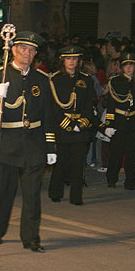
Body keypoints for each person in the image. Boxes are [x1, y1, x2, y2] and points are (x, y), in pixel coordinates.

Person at [0, 31, 56, 253]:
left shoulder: (42, 80)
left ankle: (31, 237)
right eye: (23, 48)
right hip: (6, 142)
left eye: (32, 50)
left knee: (33, 195)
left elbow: (48, 115)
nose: (27, 53)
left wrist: (50, 145)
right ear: (13, 50)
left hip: (33, 144)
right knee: (3, 192)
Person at [47, 45, 95, 205]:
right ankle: (55, 192)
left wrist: (82, 123)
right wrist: (67, 124)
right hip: (62, 127)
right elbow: (53, 106)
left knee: (78, 164)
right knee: (60, 163)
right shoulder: (55, 79)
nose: (72, 62)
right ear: (62, 60)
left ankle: (76, 196)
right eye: (69, 58)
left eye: (75, 59)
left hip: (80, 127)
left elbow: (90, 103)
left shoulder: (86, 79)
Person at [103, 52, 135, 190]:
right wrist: (109, 124)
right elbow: (111, 104)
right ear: (122, 68)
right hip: (119, 122)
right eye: (126, 65)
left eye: (131, 65)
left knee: (131, 155)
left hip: (133, 123)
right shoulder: (115, 82)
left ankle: (130, 182)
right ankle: (111, 179)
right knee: (116, 153)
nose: (129, 68)